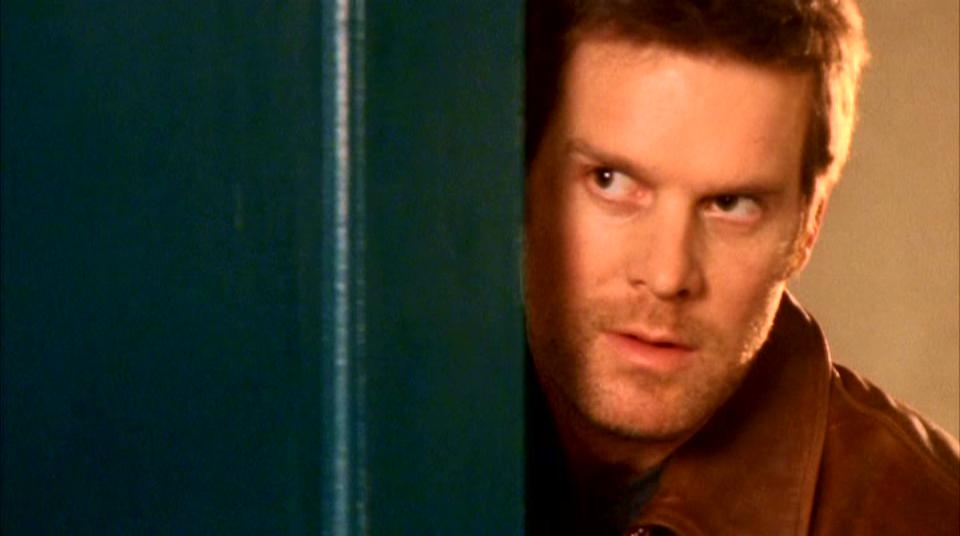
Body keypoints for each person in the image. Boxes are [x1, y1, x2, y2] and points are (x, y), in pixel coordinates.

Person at [522, 1, 960, 534]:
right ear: (521, 179)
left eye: (731, 205)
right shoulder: (421, 429)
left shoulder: (929, 513)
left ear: (808, 228)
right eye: (610, 181)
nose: (667, 276)